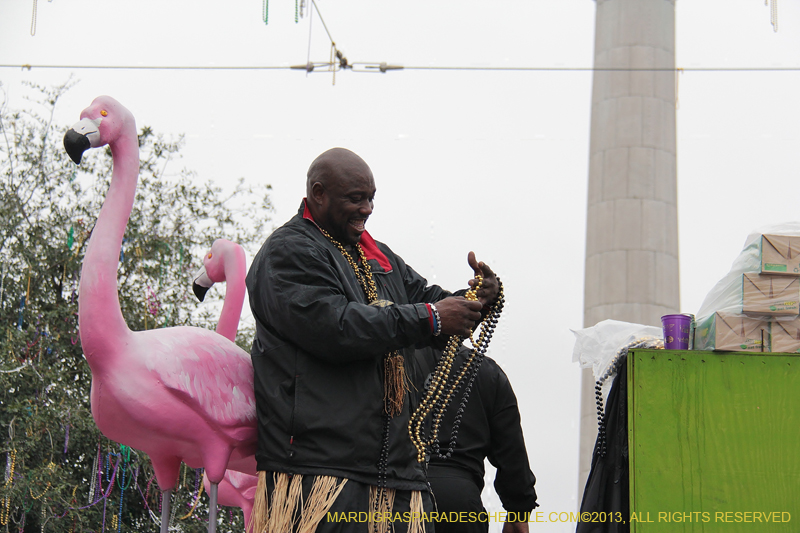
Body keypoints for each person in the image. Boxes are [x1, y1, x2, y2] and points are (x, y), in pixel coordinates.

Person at [245, 147, 501, 532]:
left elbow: (426, 301)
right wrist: (432, 319)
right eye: (355, 198)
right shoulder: (289, 250)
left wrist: (475, 301)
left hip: (400, 478)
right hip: (320, 476)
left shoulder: (379, 256)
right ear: (318, 193)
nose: (367, 209)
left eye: (371, 198)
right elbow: (336, 326)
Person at [422, 346, 538, 533]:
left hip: (393, 495)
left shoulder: (392, 359)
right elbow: (511, 453)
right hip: (460, 503)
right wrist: (518, 510)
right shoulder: (487, 372)